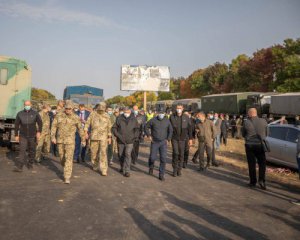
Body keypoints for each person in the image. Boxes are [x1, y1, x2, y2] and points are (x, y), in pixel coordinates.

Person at [51, 102, 85, 184]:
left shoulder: (76, 117)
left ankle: (67, 177)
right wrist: (53, 137)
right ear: (64, 108)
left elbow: (80, 129)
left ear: (72, 109)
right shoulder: (59, 116)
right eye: (66, 108)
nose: (68, 110)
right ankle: (65, 166)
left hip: (70, 141)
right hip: (60, 140)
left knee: (69, 159)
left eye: (69, 109)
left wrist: (83, 139)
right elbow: (54, 126)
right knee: (62, 158)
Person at [242, 108, 268, 190]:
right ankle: (262, 181)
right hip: (260, 145)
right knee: (262, 164)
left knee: (251, 164)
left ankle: (253, 182)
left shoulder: (246, 122)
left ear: (250, 113)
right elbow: (267, 133)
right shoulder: (264, 121)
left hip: (250, 145)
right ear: (256, 113)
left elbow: (243, 134)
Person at [14, 100, 42, 172]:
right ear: (24, 105)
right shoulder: (20, 114)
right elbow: (16, 125)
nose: (27, 106)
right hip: (23, 135)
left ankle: (30, 164)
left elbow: (40, 123)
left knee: (32, 151)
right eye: (25, 105)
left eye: (28, 105)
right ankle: (20, 167)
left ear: (31, 105)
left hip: (32, 135)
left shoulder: (35, 113)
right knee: (22, 151)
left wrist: (39, 132)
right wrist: (16, 135)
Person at [84, 102, 112, 176]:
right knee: (94, 152)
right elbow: (87, 123)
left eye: (103, 108)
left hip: (103, 137)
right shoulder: (92, 114)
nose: (101, 110)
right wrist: (86, 132)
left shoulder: (106, 115)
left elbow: (109, 126)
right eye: (101, 108)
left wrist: (109, 137)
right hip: (94, 136)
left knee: (103, 153)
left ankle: (104, 169)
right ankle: (95, 164)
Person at [145, 108, 173, 181]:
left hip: (163, 142)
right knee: (152, 157)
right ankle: (151, 167)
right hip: (155, 142)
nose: (161, 114)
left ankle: (161, 174)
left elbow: (171, 130)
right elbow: (146, 127)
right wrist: (148, 135)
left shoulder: (167, 121)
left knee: (163, 159)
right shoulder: (153, 120)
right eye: (160, 113)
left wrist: (168, 139)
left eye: (162, 113)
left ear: (164, 113)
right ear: (157, 113)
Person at [112, 107, 139, 177]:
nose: (126, 113)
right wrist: (117, 135)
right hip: (120, 140)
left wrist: (135, 136)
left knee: (127, 154)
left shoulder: (134, 119)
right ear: (123, 112)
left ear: (130, 112)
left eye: (128, 112)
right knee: (121, 155)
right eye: (125, 112)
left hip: (130, 140)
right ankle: (122, 166)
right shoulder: (119, 118)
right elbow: (114, 128)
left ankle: (127, 171)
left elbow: (137, 129)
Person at [169, 104, 193, 177]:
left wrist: (191, 139)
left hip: (183, 139)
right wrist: (168, 137)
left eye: (180, 108)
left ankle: (179, 169)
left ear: (182, 109)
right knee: (176, 153)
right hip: (174, 138)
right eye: (177, 108)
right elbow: (169, 127)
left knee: (181, 154)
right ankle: (174, 170)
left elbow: (190, 128)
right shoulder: (172, 116)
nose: (178, 109)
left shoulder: (186, 117)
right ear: (176, 109)